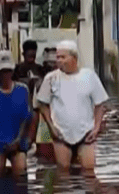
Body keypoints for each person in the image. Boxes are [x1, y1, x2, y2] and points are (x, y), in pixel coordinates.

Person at [37, 40, 109, 171]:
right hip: (61, 135)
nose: (58, 60)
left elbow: (100, 105)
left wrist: (96, 127)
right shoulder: (51, 78)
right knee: (63, 172)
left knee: (88, 172)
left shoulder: (89, 76)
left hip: (86, 134)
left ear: (74, 58)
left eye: (63, 57)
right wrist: (51, 127)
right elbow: (42, 105)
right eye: (57, 57)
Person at [12, 40, 45, 147]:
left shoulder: (41, 70)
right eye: (29, 55)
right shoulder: (16, 70)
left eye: (33, 55)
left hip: (37, 109)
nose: (31, 58)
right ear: (23, 54)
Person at [34, 47, 57, 162]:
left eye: (54, 63)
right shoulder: (40, 84)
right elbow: (36, 110)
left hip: (60, 130)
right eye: (50, 64)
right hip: (44, 131)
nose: (52, 67)